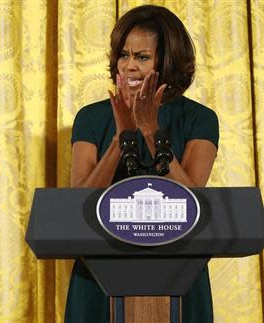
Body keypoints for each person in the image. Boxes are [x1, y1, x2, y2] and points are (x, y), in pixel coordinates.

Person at [65, 5, 219, 323]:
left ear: (168, 61)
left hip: (179, 274)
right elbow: (79, 203)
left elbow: (192, 201)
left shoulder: (200, 119)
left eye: (142, 57)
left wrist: (151, 134)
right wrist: (121, 138)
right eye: (124, 55)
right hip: (99, 278)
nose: (129, 67)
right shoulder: (91, 118)